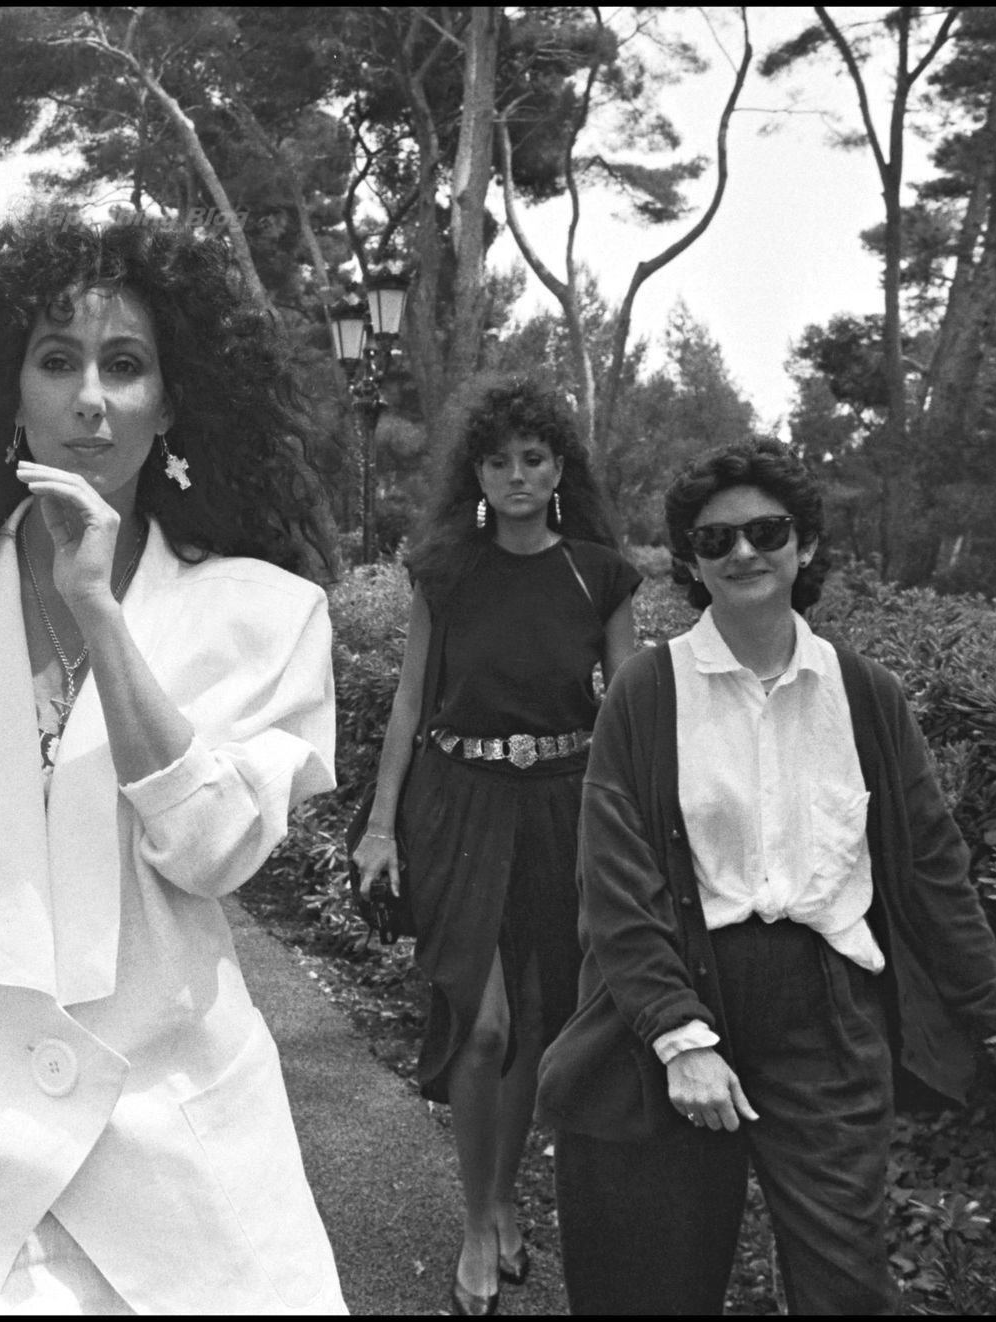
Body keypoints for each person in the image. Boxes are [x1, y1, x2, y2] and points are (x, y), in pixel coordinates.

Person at [0, 208, 345, 1314]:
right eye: (57, 361)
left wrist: (98, 608)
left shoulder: (265, 617)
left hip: (182, 1169)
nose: (90, 396)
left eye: (125, 365)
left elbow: (211, 852)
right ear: (9, 392)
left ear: (172, 402)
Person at [537, 439, 996, 1315]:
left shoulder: (865, 694)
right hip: (680, 999)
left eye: (768, 531)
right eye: (715, 540)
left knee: (844, 1284)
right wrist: (679, 1038)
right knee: (652, 1287)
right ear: (691, 563)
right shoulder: (648, 691)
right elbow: (616, 883)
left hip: (826, 1017)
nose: (743, 551)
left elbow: (932, 873)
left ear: (805, 544)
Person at [352, 378, 638, 1315]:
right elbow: (409, 702)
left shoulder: (599, 575)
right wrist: (381, 826)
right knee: (483, 1026)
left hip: (561, 807)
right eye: (498, 460)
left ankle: (505, 1194)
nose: (516, 475)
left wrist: (637, 836)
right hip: (458, 805)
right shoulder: (446, 573)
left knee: (536, 1021)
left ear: (559, 469)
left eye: (533, 458)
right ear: (475, 472)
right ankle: (477, 1223)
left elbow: (630, 713)